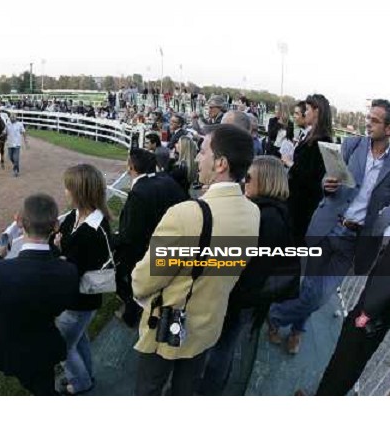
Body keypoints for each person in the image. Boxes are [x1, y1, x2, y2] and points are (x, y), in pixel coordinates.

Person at [132, 125, 260, 395]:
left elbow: (145, 280)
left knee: (149, 389)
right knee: (186, 389)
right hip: (209, 323)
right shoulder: (252, 212)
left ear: (221, 163)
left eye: (203, 152)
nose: (198, 158)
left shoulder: (186, 214)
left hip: (169, 325)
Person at [269, 98, 390, 355]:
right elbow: (328, 178)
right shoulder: (352, 144)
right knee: (311, 289)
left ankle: (275, 316)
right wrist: (327, 185)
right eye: (368, 118)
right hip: (328, 225)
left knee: (319, 295)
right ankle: (298, 331)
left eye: (375, 120)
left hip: (354, 240)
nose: (368, 124)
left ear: (389, 129)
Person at [198, 156, 299, 395]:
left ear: (264, 181)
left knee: (222, 347)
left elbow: (253, 268)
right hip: (248, 298)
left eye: (250, 177)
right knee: (225, 345)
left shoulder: (267, 217)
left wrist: (229, 297)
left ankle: (206, 392)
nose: (245, 182)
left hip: (241, 298)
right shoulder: (274, 210)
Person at [0, 194, 79, 395]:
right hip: (44, 347)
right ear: (56, 225)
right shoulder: (68, 271)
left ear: (19, 221)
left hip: (8, 351)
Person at [53, 164, 113, 395]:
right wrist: (59, 247)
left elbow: (69, 268)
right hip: (81, 298)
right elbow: (61, 243)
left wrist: (59, 249)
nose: (65, 192)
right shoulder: (76, 216)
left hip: (80, 301)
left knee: (62, 347)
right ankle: (87, 375)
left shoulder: (93, 229)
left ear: (80, 192)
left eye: (68, 188)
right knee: (78, 341)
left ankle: (80, 384)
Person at [114, 148, 187, 327]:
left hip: (146, 250)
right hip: (171, 243)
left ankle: (131, 315)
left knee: (122, 277)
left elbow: (131, 235)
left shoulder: (139, 192)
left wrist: (112, 239)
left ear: (131, 167)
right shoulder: (166, 180)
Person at [315, 229, 390, 395]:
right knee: (350, 365)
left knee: (344, 364)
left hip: (372, 314)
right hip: (377, 314)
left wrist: (367, 312)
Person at [286, 93, 334, 247]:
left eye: (307, 109)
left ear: (317, 111)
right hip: (297, 200)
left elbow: (312, 175)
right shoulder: (312, 136)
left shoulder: (323, 140)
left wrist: (290, 164)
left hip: (303, 205)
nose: (305, 112)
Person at [5, 113, 28, 177]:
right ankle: (16, 165)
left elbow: (23, 132)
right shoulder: (7, 124)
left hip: (17, 143)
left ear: (16, 118)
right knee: (10, 157)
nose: (12, 119)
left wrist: (25, 139)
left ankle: (15, 170)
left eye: (13, 118)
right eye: (11, 118)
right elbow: (4, 132)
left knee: (16, 158)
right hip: (10, 143)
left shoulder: (20, 124)